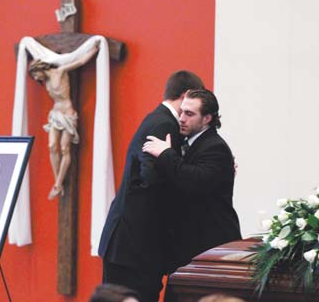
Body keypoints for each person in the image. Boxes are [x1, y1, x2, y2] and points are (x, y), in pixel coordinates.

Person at [98, 71, 205, 302]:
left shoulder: (156, 119)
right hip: (134, 248)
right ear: (186, 95)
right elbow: (151, 177)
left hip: (130, 245)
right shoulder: (164, 124)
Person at [142, 88, 242, 271]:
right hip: (190, 245)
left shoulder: (215, 147)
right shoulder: (190, 142)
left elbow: (194, 181)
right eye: (181, 112)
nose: (181, 118)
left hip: (210, 245)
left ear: (207, 119)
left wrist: (165, 154)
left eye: (189, 114)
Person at [28, 41, 99, 200]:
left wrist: (94, 49)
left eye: (35, 75)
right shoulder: (45, 81)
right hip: (55, 114)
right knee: (52, 146)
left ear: (40, 69)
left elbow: (79, 61)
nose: (36, 78)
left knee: (64, 148)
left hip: (67, 113)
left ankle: (58, 183)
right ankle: (57, 182)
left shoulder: (60, 71)